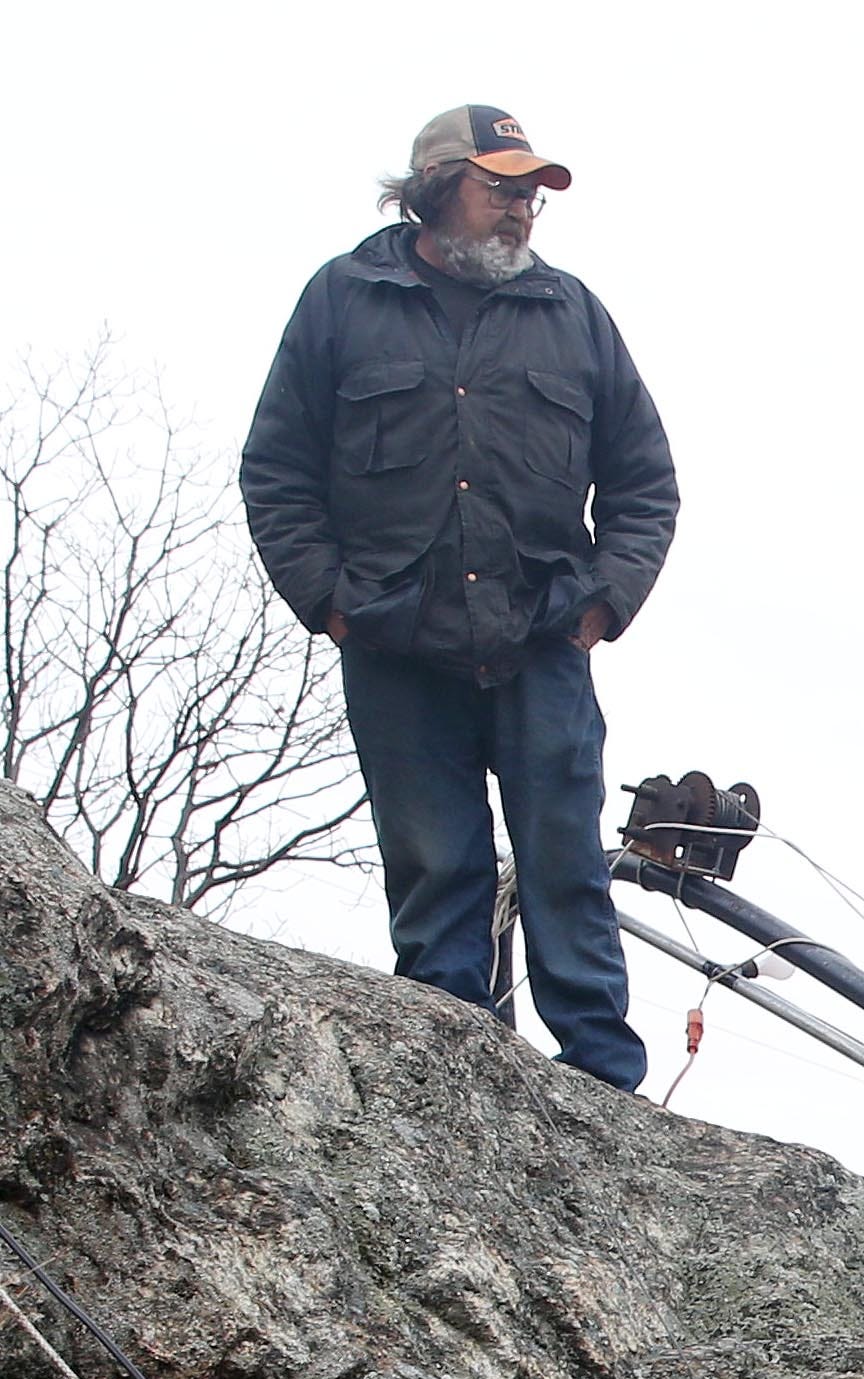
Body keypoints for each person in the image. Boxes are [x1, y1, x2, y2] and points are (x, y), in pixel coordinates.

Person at [241, 107, 678, 1092]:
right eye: (502, 187)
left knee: (566, 866)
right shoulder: (342, 301)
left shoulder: (573, 315)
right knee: (436, 871)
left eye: (532, 193)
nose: (522, 209)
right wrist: (331, 602)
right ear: (438, 186)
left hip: (542, 641)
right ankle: (447, 1081)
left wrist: (602, 604)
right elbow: (276, 468)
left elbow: (645, 477)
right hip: (397, 643)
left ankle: (604, 1082)